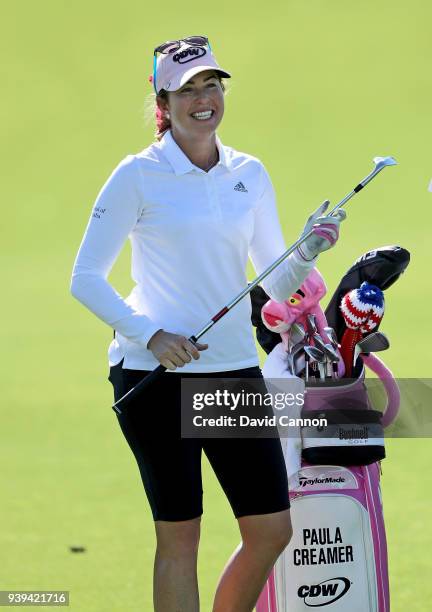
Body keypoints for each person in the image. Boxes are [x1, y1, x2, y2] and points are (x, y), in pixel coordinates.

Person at [70, 35, 346, 612]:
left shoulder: (249, 172)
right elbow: (85, 276)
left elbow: (272, 282)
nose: (203, 99)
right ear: (163, 102)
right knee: (180, 534)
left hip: (231, 371)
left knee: (270, 529)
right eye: (187, 88)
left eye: (212, 85)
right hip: (153, 375)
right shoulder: (137, 175)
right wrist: (149, 333)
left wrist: (309, 250)